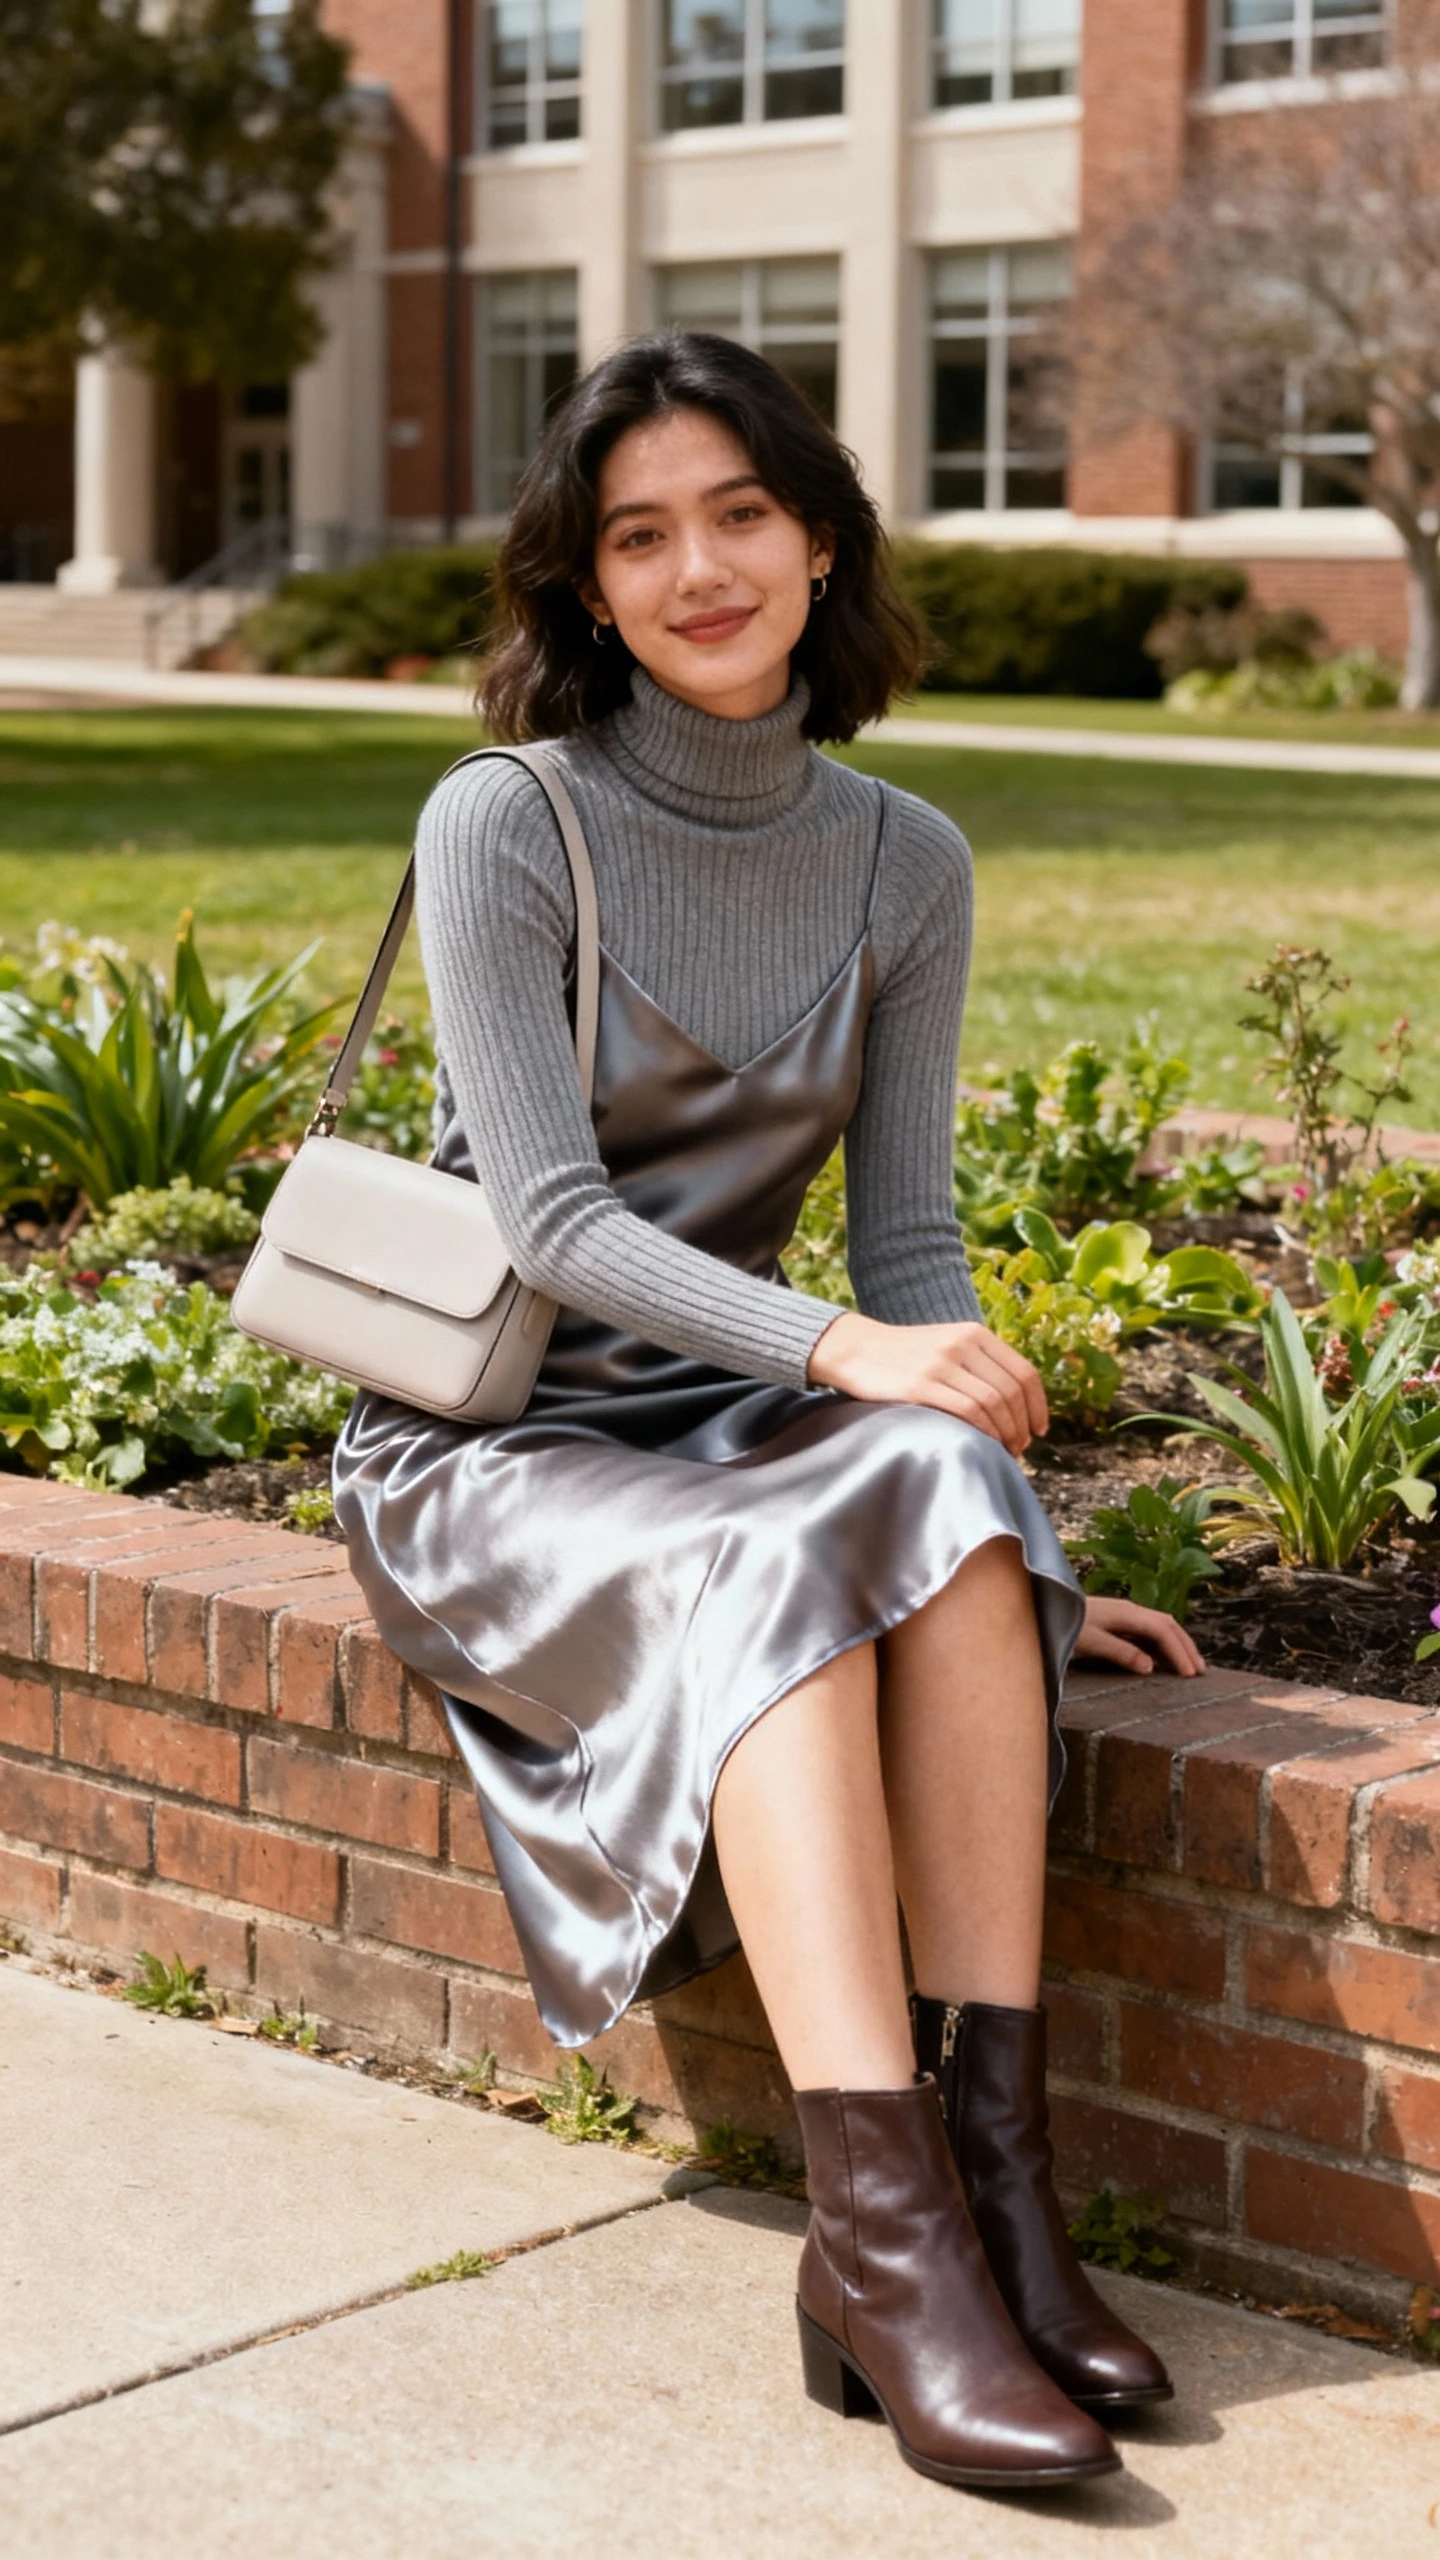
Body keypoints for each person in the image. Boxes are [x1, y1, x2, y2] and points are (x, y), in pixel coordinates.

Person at [333, 330, 1203, 2495]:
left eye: (739, 514)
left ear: (821, 539)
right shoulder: (507, 817)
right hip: (500, 1445)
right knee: (802, 1536)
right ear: (589, 587)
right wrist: (839, 1357)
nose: (699, 569)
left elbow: (908, 1245)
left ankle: (999, 2184)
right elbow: (546, 1220)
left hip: (732, 1427)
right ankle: (885, 2245)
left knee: (939, 1500)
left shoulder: (907, 856)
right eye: (640, 537)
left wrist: (1012, 1548)